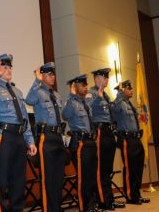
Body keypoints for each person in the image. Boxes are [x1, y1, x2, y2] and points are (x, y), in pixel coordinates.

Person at [0, 54, 37, 212]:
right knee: (1, 181)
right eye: (4, 67)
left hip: (19, 138)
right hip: (3, 137)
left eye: (10, 66)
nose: (8, 69)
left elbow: (24, 118)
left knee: (19, 181)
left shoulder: (17, 91)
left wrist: (30, 140)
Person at [25, 62, 66, 212]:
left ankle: (56, 207)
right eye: (49, 74)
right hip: (45, 137)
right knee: (48, 177)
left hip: (58, 137)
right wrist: (37, 80)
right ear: (43, 76)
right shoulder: (38, 92)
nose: (52, 77)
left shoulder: (57, 95)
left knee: (58, 177)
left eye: (53, 74)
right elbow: (28, 100)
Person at [86, 68, 125, 210]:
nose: (107, 80)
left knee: (107, 169)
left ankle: (109, 199)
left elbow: (112, 112)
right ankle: (103, 201)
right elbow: (87, 108)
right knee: (100, 169)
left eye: (107, 78)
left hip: (109, 133)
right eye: (104, 77)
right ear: (97, 79)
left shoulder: (106, 95)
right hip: (100, 132)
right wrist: (98, 96)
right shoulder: (91, 93)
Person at [63, 74, 99, 212]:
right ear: (75, 86)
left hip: (90, 142)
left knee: (91, 175)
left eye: (86, 85)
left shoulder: (84, 104)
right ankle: (85, 207)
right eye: (83, 85)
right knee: (83, 177)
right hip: (80, 144)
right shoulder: (71, 102)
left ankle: (92, 204)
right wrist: (71, 96)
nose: (86, 87)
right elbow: (65, 115)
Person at [113, 80, 150, 205]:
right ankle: (130, 196)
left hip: (136, 139)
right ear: (123, 90)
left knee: (138, 168)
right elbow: (113, 109)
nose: (132, 90)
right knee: (130, 169)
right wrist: (119, 93)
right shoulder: (119, 104)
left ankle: (137, 194)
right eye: (129, 88)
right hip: (126, 139)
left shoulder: (129, 103)